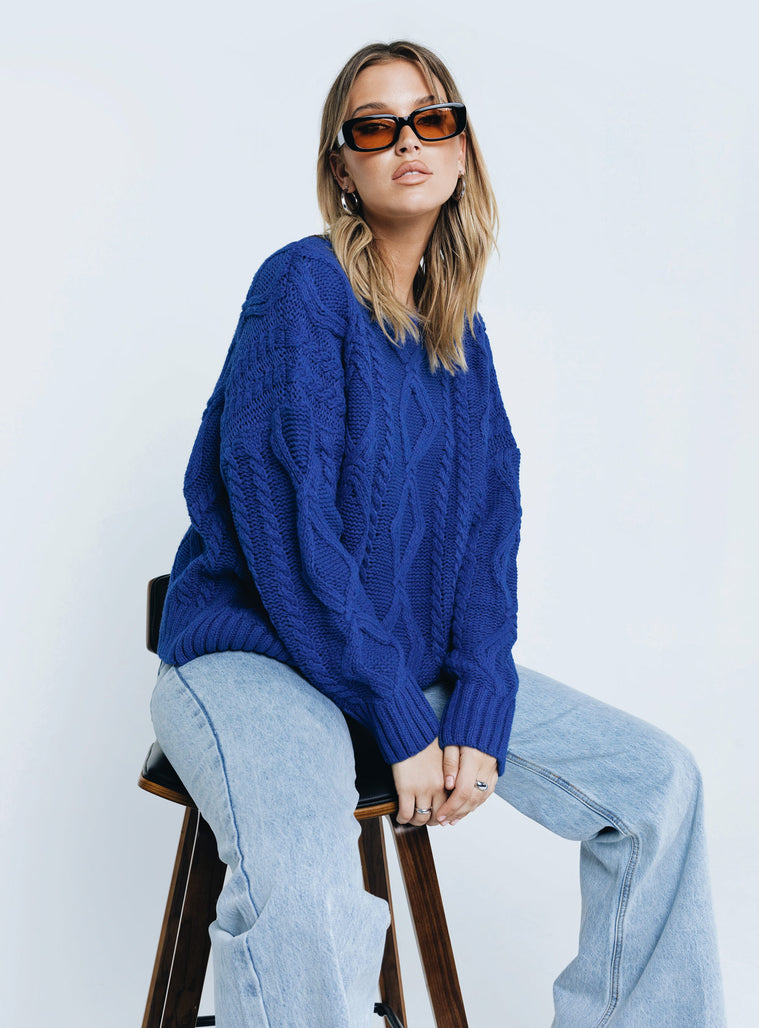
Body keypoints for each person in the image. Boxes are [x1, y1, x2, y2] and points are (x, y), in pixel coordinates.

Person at [151, 40, 726, 1028]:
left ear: (461, 150)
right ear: (343, 168)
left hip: (395, 661)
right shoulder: (300, 287)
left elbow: (486, 540)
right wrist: (400, 715)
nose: (407, 142)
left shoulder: (460, 334)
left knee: (657, 786)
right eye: (374, 128)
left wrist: (481, 698)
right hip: (253, 656)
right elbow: (290, 538)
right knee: (305, 871)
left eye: (431, 119)